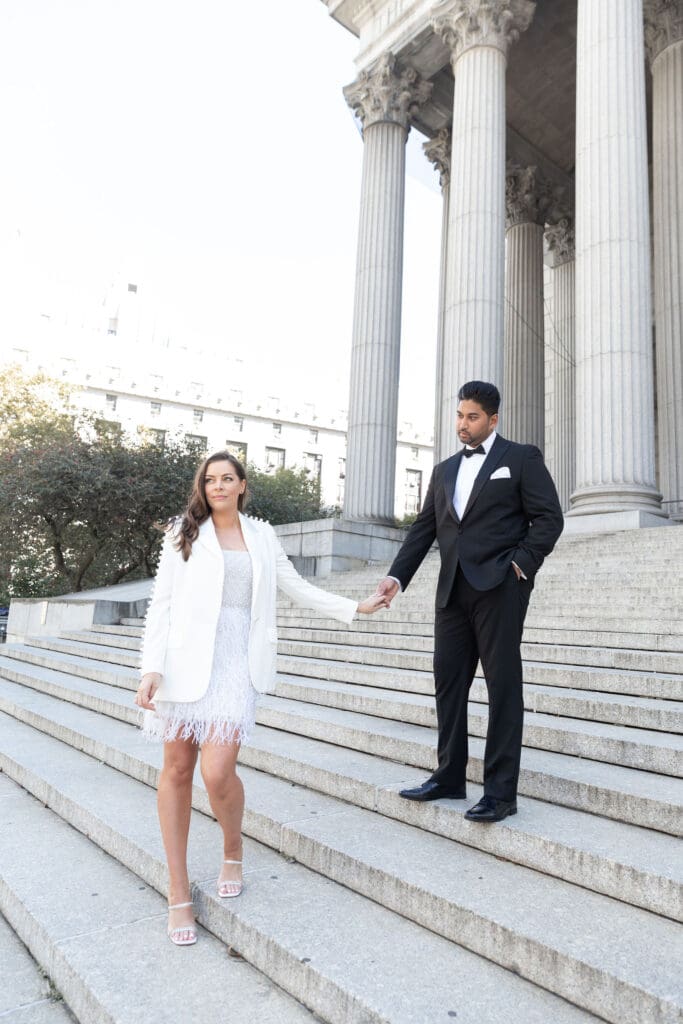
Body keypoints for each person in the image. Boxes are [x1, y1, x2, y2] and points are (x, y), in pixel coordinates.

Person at [135, 451, 387, 945]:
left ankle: (233, 848)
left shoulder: (263, 536)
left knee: (216, 769)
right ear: (203, 487)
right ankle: (178, 890)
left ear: (243, 485)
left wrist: (354, 606)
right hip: (183, 661)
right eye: (211, 480)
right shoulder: (181, 533)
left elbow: (295, 587)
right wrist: (150, 668)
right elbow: (160, 604)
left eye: (228, 479)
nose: (219, 487)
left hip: (236, 662)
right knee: (177, 769)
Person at [376, 381, 563, 823]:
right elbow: (424, 529)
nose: (463, 424)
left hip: (500, 587)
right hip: (452, 591)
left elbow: (549, 517)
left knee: (502, 688)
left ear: (493, 419)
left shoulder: (520, 458)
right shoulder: (443, 470)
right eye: (460, 416)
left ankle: (500, 793)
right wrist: (395, 577)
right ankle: (449, 776)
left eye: (473, 417)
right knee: (449, 682)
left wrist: (521, 565)